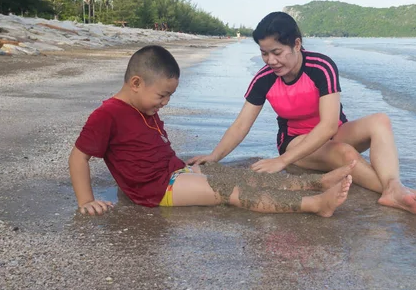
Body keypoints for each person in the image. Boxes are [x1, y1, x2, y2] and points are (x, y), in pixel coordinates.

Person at [189, 12, 416, 215]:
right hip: (295, 143)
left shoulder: (321, 66)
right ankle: (406, 194)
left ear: (297, 44)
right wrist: (214, 156)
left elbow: (329, 126)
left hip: (334, 132)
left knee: (380, 121)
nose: (270, 61)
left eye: (277, 52)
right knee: (345, 154)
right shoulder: (264, 79)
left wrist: (281, 164)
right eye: (264, 53)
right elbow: (240, 125)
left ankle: (396, 188)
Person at [69, 45, 354, 217]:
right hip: (156, 190)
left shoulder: (143, 107)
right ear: (135, 83)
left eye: (169, 96)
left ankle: (315, 184)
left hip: (174, 172)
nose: (165, 103)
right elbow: (78, 157)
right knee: (231, 191)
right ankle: (315, 204)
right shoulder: (107, 114)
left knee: (242, 176)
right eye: (162, 96)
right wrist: (86, 201)